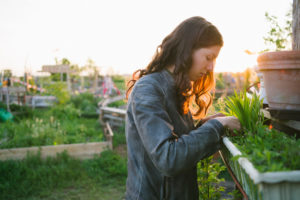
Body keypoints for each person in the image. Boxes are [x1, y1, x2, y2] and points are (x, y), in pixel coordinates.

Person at [124, 16, 241, 200]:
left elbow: (181, 146)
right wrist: (216, 126)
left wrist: (205, 127)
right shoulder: (148, 89)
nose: (211, 67)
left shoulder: (176, 88)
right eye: (208, 57)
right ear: (187, 50)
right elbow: (168, 158)